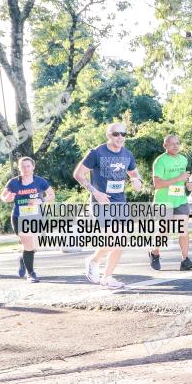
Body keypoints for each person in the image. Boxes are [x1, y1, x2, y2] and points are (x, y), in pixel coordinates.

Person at [73, 122, 143, 289]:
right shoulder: (96, 153)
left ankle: (107, 277)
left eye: (123, 134)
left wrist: (136, 180)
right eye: (116, 134)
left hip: (120, 202)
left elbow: (134, 173)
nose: (120, 137)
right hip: (101, 202)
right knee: (113, 239)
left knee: (121, 241)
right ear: (108, 135)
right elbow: (78, 174)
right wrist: (94, 192)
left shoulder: (127, 154)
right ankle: (94, 260)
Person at [0, 157, 55, 282]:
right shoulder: (13, 182)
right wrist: (7, 198)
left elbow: (51, 195)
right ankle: (31, 273)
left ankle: (23, 259)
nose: (25, 169)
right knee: (28, 245)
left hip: (36, 218)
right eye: (22, 166)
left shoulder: (40, 181)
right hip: (19, 217)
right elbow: (3, 196)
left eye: (28, 166)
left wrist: (41, 200)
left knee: (33, 246)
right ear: (19, 168)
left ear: (33, 167)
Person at [149, 135, 192, 271]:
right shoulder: (160, 161)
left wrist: (188, 184)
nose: (176, 146)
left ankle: (185, 260)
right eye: (172, 144)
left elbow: (184, 180)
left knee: (184, 230)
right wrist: (179, 178)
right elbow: (157, 184)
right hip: (163, 202)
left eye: (178, 143)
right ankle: (155, 253)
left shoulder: (183, 159)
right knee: (163, 231)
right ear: (165, 146)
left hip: (180, 200)